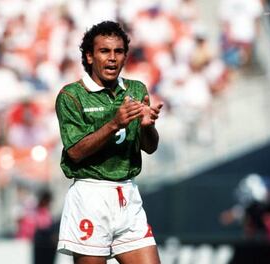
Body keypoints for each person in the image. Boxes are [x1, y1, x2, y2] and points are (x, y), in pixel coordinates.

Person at [55, 21, 163, 264]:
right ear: (90, 56)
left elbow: (150, 146)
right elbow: (74, 152)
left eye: (119, 51)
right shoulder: (71, 95)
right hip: (91, 196)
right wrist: (114, 123)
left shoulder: (136, 89)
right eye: (105, 51)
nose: (112, 58)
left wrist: (148, 127)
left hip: (128, 194)